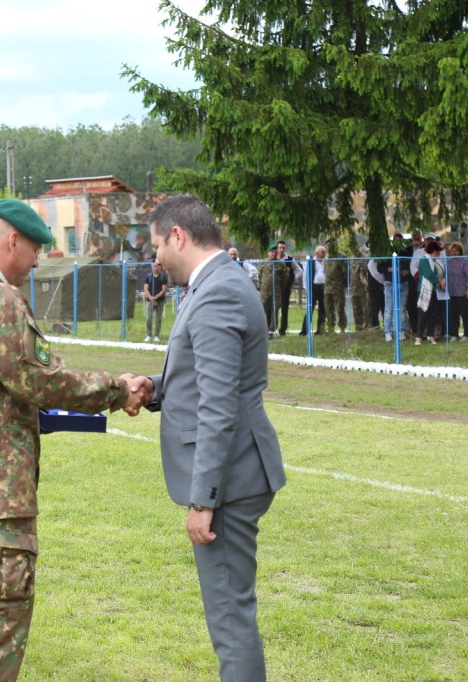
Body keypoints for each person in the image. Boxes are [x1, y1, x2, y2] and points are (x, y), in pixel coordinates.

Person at [0, 198, 141, 682]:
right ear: (12, 241)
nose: (37, 260)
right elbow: (41, 382)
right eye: (35, 248)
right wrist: (118, 389)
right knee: (0, 616)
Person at [128, 194, 286, 682]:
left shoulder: (217, 290)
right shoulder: (214, 284)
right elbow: (204, 374)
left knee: (231, 619)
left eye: (156, 245)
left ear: (178, 235)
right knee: (231, 611)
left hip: (230, 478)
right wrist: (156, 387)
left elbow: (218, 408)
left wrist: (204, 501)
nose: (154, 258)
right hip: (237, 470)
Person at [415, 240, 446, 345]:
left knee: (432, 314)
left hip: (433, 290)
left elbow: (440, 272)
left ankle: (430, 335)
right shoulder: (424, 261)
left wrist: (442, 279)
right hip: (424, 290)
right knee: (423, 313)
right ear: (434, 250)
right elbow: (428, 274)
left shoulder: (434, 262)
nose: (439, 253)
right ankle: (418, 337)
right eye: (438, 251)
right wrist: (438, 281)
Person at [445, 242, 468, 340]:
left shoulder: (465, 262)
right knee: (453, 314)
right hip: (451, 292)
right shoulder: (447, 262)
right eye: (452, 250)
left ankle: (466, 334)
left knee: (465, 313)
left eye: (456, 250)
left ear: (460, 251)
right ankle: (454, 334)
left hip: (463, 292)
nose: (454, 253)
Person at [256, 244, 285, 338]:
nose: (274, 254)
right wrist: (262, 286)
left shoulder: (281, 264)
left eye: (275, 252)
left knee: (274, 310)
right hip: (265, 291)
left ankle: (271, 331)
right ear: (268, 253)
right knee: (263, 310)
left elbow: (284, 278)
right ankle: (261, 329)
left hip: (276, 291)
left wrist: (280, 287)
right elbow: (259, 275)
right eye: (272, 252)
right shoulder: (264, 263)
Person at [299, 246, 327, 336]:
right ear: (317, 253)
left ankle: (320, 330)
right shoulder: (310, 262)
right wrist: (306, 288)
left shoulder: (325, 262)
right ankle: (304, 331)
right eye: (322, 252)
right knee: (310, 309)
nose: (324, 254)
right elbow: (305, 276)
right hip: (313, 288)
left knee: (323, 310)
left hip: (323, 288)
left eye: (325, 252)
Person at [323, 237, 347, 333]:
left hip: (338, 286)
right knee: (328, 308)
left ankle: (342, 327)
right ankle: (331, 327)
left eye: (331, 245)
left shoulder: (342, 256)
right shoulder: (326, 256)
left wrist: (344, 285)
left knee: (340, 308)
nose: (329, 247)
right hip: (327, 287)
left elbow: (346, 272)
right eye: (328, 245)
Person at [143, 260, 169, 342]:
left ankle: (156, 335)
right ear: (152, 267)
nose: (155, 267)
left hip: (160, 301)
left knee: (158, 319)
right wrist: (151, 298)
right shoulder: (148, 277)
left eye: (157, 266)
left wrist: (156, 297)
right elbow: (146, 289)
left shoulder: (163, 277)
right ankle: (149, 335)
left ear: (160, 267)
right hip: (149, 301)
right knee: (148, 318)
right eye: (154, 266)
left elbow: (164, 290)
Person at [276, 240, 295, 336]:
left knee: (284, 309)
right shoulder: (273, 259)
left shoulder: (289, 259)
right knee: (273, 308)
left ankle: (282, 330)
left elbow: (298, 271)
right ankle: (271, 329)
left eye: (283, 248)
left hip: (285, 289)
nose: (282, 249)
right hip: (274, 288)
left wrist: (291, 282)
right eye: (280, 247)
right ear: (277, 248)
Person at [349, 242, 369, 330]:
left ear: (359, 247)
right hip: (354, 287)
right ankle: (358, 326)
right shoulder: (351, 259)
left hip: (363, 287)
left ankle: (367, 324)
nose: (353, 250)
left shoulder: (366, 257)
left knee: (366, 307)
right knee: (356, 308)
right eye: (351, 249)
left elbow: (368, 271)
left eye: (355, 248)